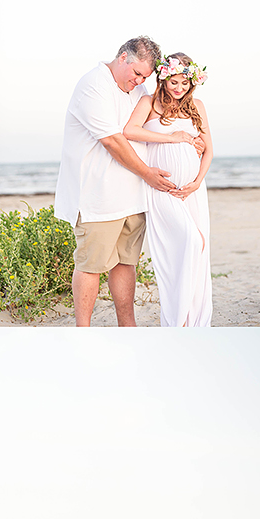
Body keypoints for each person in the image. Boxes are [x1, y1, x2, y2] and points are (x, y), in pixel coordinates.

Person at [54, 37, 181, 329]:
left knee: (126, 263)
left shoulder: (139, 89)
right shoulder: (93, 85)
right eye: (136, 73)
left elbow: (153, 124)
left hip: (133, 197)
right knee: (91, 266)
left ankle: (128, 328)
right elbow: (113, 141)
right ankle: (82, 330)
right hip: (98, 197)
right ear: (122, 57)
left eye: (145, 77)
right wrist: (149, 173)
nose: (139, 81)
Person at [122, 54, 213, 325]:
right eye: (174, 81)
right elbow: (130, 131)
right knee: (191, 242)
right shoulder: (148, 102)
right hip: (162, 189)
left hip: (193, 191)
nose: (179, 88)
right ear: (163, 77)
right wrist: (171, 138)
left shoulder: (197, 105)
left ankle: (190, 320)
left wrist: (197, 181)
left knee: (195, 249)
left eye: (185, 82)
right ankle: (177, 318)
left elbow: (208, 149)